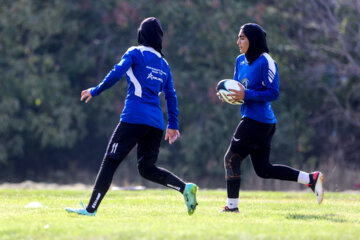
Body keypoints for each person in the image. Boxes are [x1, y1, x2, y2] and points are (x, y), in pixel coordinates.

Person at [65, 17, 198, 216]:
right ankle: (184, 188)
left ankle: (90, 209)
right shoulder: (164, 64)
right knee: (147, 168)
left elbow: (116, 73)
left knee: (110, 161)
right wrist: (173, 124)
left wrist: (96, 90)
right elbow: (171, 95)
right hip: (156, 124)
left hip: (134, 118)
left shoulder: (135, 53)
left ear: (141, 35)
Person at [217, 23, 324, 213]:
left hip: (258, 121)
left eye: (242, 38)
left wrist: (246, 95)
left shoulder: (267, 61)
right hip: (255, 120)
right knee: (264, 169)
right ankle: (310, 179)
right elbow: (238, 89)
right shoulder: (240, 61)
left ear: (254, 40)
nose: (238, 42)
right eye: (238, 37)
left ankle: (232, 208)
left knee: (231, 158)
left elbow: (273, 93)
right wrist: (228, 95)